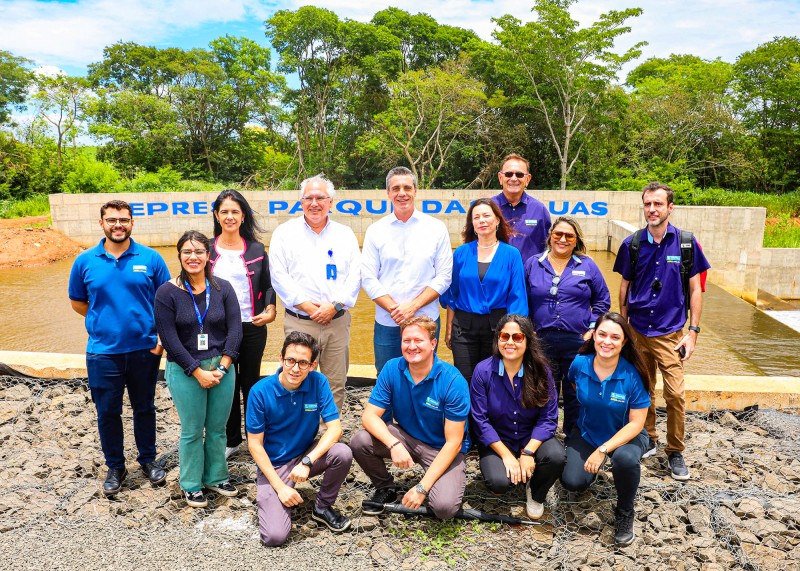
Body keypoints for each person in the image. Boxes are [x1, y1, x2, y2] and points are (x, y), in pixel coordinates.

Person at [68, 200, 171, 496]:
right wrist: (104, 320)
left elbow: (166, 302)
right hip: (102, 352)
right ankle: (115, 466)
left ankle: (148, 460)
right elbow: (77, 302)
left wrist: (160, 340)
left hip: (145, 350)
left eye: (124, 220)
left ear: (132, 223)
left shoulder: (150, 259)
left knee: (145, 407)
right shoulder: (85, 261)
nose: (118, 225)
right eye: (111, 220)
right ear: (101, 223)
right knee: (107, 411)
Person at [613, 182, 711, 481]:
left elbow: (695, 289)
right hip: (639, 330)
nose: (652, 209)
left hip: (670, 333)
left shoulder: (685, 243)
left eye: (657, 204)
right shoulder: (632, 243)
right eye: (647, 204)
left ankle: (676, 451)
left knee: (675, 394)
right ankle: (648, 437)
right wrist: (625, 328)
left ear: (670, 207)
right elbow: (625, 288)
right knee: (643, 389)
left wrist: (692, 332)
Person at [154, 230, 243, 508]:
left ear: (208, 256)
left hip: (222, 369)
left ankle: (216, 477)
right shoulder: (167, 292)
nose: (193, 257)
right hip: (184, 370)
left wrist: (224, 367)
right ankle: (191, 483)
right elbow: (169, 338)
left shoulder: (223, 288)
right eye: (187, 252)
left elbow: (236, 330)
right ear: (179, 256)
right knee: (192, 430)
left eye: (199, 252)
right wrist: (196, 370)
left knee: (217, 428)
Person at [350, 316, 469, 520]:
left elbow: (454, 443)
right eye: (406, 341)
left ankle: (437, 481)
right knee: (360, 441)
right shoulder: (391, 368)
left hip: (442, 449)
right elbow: (369, 416)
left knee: (444, 509)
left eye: (418, 341)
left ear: (433, 344)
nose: (411, 346)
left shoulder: (452, 381)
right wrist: (394, 444)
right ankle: (386, 486)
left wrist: (422, 488)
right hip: (407, 439)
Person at [246, 331, 353, 546]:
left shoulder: (318, 382)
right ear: (281, 359)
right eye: (290, 361)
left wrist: (307, 461)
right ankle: (276, 495)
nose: (295, 368)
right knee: (274, 537)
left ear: (313, 365)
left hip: (304, 455)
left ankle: (322, 507)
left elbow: (335, 429)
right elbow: (254, 445)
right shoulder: (260, 391)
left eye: (303, 363)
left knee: (342, 452)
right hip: (275, 464)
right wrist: (280, 487)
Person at [268, 175, 361, 412]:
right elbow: (279, 276)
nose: (314, 203)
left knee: (336, 382)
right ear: (301, 201)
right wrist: (310, 308)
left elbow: (355, 275)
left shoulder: (345, 234)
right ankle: (299, 434)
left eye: (320, 197)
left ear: (331, 202)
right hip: (300, 321)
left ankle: (328, 434)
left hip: (336, 321)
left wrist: (335, 305)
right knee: (296, 378)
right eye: (308, 197)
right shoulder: (284, 233)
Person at [560, 312, 651, 546]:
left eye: (614, 337)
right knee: (572, 481)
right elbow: (574, 386)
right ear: (593, 335)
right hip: (588, 431)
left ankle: (625, 512)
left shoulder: (633, 374)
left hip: (626, 436)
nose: (606, 342)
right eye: (602, 334)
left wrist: (603, 450)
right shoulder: (580, 364)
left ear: (624, 342)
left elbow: (636, 423)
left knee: (625, 460)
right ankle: (591, 473)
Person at [469, 314, 565, 520]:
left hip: (530, 438)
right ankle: (517, 472)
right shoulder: (482, 371)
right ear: (497, 339)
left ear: (528, 340)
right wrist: (506, 456)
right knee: (499, 484)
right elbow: (480, 420)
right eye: (504, 336)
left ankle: (536, 492)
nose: (510, 342)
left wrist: (528, 453)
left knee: (556, 457)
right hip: (498, 440)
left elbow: (549, 418)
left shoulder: (541, 370)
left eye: (517, 337)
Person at [362, 167, 453, 374]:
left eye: (407, 187)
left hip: (426, 319)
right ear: (388, 193)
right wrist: (396, 309)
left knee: (425, 375)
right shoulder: (375, 231)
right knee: (386, 377)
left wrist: (412, 307)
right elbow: (368, 277)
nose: (401, 193)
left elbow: (444, 276)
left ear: (415, 191)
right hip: (387, 321)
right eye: (396, 188)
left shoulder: (436, 228)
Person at [525, 216, 610, 436]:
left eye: (569, 236)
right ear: (550, 236)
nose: (562, 239)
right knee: (545, 388)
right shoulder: (534, 263)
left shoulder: (587, 265)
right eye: (558, 234)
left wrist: (592, 329)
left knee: (576, 391)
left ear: (576, 240)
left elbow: (602, 300)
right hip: (541, 339)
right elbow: (521, 298)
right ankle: (546, 434)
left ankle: (573, 434)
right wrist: (527, 328)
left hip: (577, 341)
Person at [209, 189, 276, 459]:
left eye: (235, 211)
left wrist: (270, 309)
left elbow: (268, 286)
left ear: (243, 215)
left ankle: (256, 440)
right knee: (225, 384)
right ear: (216, 214)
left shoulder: (257, 249)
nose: (229, 216)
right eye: (224, 211)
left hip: (252, 326)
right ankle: (231, 440)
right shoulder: (207, 249)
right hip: (217, 330)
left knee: (251, 383)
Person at [441, 198, 528, 383]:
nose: (482, 220)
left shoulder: (511, 254)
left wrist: (514, 333)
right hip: (463, 328)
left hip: (498, 327)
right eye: (476, 217)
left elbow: (517, 296)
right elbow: (452, 294)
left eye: (486, 215)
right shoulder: (461, 253)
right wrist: (449, 328)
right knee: (464, 380)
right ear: (471, 223)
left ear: (497, 220)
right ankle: (466, 413)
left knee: (493, 380)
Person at [491, 153, 551, 261]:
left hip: (528, 277)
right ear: (500, 178)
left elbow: (549, 249)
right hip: (495, 276)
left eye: (519, 174)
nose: (514, 179)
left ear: (527, 179)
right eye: (509, 174)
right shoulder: (488, 208)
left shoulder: (539, 210)